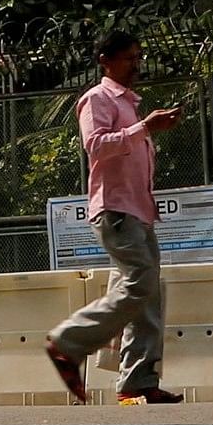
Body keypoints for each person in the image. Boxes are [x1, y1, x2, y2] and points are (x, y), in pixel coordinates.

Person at [41, 27, 185, 405]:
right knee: (141, 282)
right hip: (116, 209)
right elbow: (96, 147)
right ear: (105, 61)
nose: (136, 64)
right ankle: (67, 342)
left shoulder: (128, 103)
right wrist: (145, 128)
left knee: (150, 290)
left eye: (138, 57)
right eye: (128, 58)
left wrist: (147, 128)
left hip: (137, 210)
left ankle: (138, 381)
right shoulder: (98, 98)